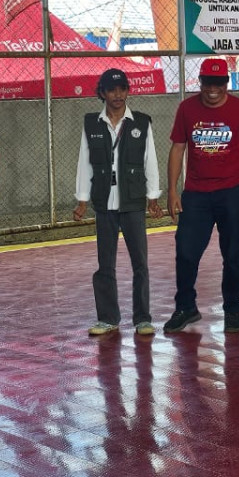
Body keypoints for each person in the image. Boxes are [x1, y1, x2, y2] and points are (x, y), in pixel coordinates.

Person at [165, 57, 239, 334]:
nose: (213, 89)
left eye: (219, 83)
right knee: (185, 251)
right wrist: (172, 190)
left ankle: (232, 310)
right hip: (196, 194)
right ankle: (186, 307)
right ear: (201, 82)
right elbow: (177, 149)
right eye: (208, 82)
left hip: (232, 192)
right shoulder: (186, 109)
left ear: (226, 84)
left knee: (232, 255)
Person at [73, 68, 164, 337]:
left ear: (128, 91)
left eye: (122, 89)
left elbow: (151, 162)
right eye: (111, 90)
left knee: (141, 264)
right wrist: (82, 200)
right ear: (102, 93)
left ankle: (143, 318)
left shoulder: (141, 123)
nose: (117, 95)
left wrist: (153, 198)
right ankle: (108, 318)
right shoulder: (92, 124)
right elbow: (84, 163)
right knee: (105, 265)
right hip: (104, 204)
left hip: (133, 202)